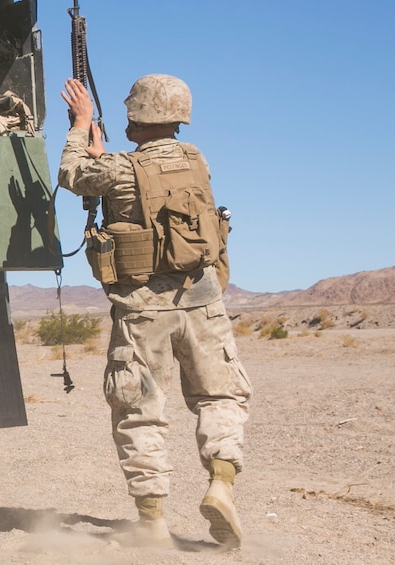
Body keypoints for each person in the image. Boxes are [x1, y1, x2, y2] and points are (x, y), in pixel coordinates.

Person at [58, 75, 252, 549]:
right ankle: (222, 482)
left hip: (144, 310)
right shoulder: (196, 159)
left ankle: (152, 522)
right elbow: (150, 184)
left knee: (139, 410)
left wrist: (81, 126)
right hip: (203, 300)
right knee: (220, 396)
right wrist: (104, 152)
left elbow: (72, 175)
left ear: (137, 114)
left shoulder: (120, 169)